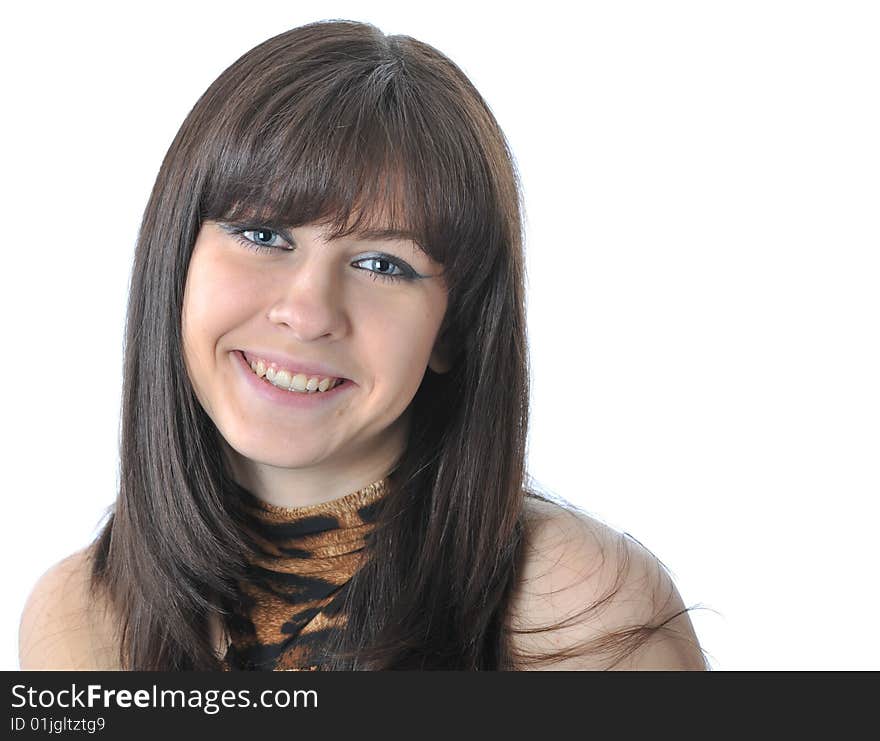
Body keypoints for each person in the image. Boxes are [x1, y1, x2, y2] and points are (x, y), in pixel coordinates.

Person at [18, 19, 706, 671]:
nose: (308, 312)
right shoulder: (80, 613)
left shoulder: (575, 609)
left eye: (383, 264)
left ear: (454, 328)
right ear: (177, 260)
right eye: (263, 235)